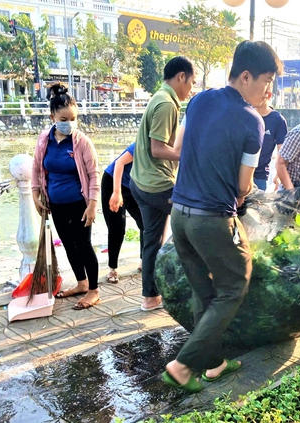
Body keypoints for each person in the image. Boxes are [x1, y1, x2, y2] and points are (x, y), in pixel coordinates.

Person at [162, 40, 282, 392]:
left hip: (180, 217)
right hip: (213, 219)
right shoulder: (252, 122)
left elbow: (184, 150)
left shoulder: (198, 100)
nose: (268, 90)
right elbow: (244, 186)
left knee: (204, 288)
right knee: (235, 283)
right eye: (265, 81)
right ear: (246, 76)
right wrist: (240, 195)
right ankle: (183, 365)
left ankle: (212, 364)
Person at [129, 56, 195, 312]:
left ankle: (150, 297)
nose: (191, 88)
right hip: (156, 185)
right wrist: (189, 154)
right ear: (181, 77)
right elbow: (158, 149)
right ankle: (189, 288)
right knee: (195, 225)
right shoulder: (167, 103)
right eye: (192, 82)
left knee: (152, 242)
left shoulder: (160, 98)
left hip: (142, 183)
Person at [31, 82, 101, 310]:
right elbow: (36, 168)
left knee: (84, 245)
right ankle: (81, 284)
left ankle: (93, 290)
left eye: (73, 118)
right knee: (69, 245)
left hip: (79, 203)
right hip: (56, 205)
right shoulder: (45, 140)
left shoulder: (82, 142)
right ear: (52, 117)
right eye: (64, 119)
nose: (69, 123)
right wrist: (35, 193)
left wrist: (92, 205)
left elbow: (93, 175)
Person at [101, 142, 144, 283]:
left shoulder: (167, 147)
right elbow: (119, 163)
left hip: (133, 185)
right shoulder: (143, 143)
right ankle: (112, 269)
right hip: (113, 182)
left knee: (145, 223)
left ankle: (144, 262)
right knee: (117, 228)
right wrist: (116, 192)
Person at [253, 92, 287, 191]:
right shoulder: (245, 115)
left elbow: (283, 151)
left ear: (268, 95)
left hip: (260, 175)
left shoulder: (278, 120)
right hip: (240, 173)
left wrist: (278, 175)